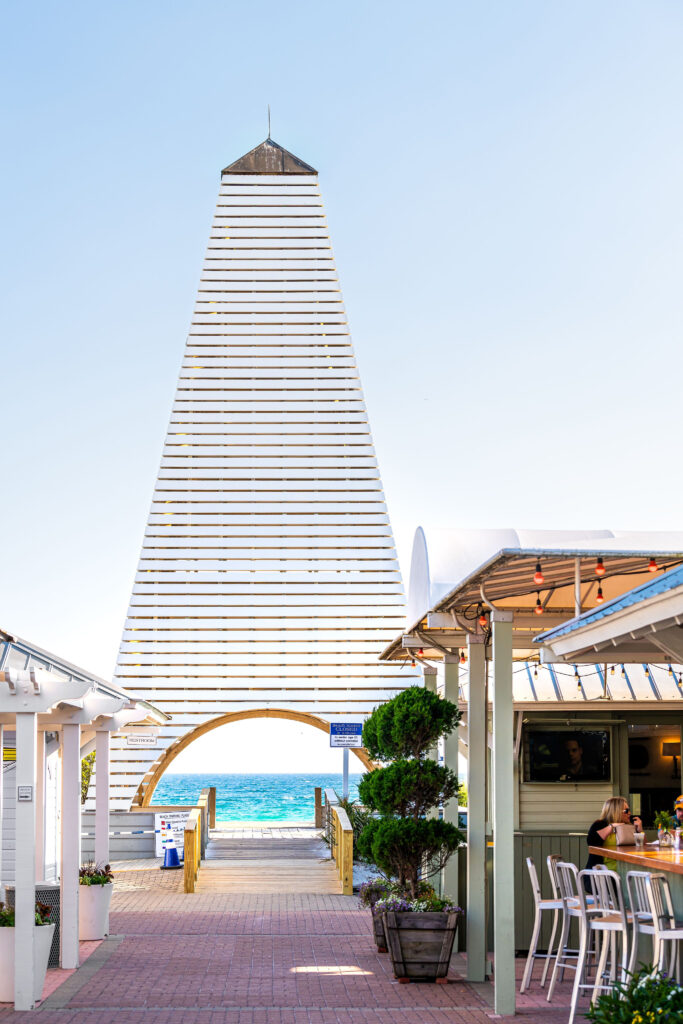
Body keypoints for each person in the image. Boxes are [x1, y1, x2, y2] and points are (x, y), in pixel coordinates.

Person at [586, 797, 642, 872]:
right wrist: (611, 827)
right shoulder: (600, 824)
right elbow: (592, 842)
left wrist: (640, 830)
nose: (629, 813)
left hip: (625, 870)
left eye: (629, 810)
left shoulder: (628, 826)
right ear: (616, 811)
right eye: (626, 811)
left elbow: (642, 847)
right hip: (602, 875)